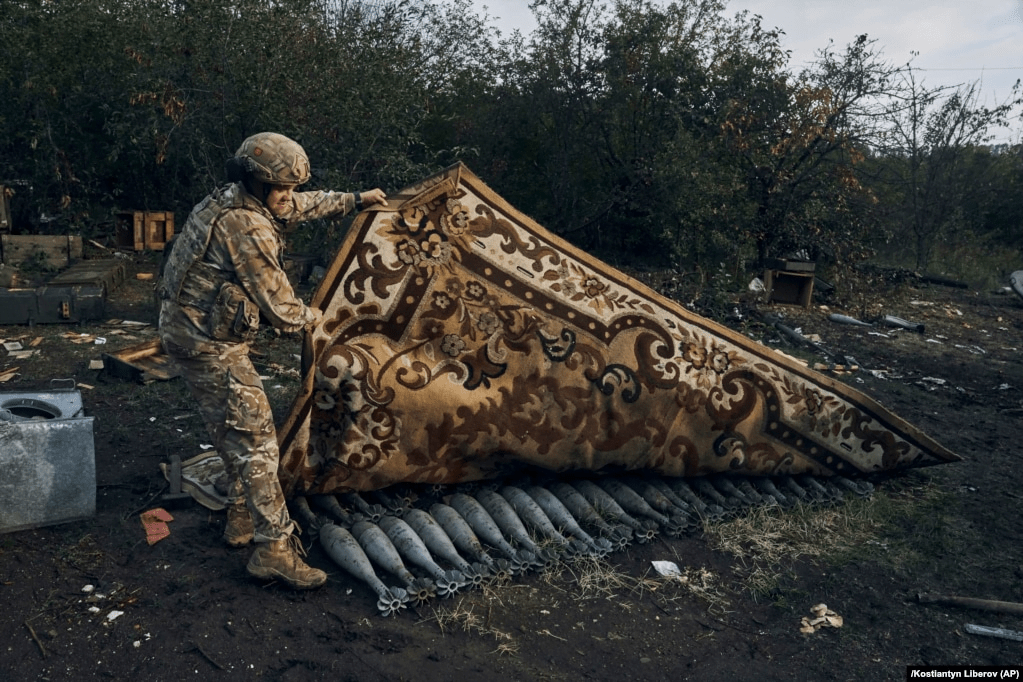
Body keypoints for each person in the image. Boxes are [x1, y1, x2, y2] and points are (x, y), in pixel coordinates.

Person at [157, 132, 386, 589]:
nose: (288, 196)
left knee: (231, 428)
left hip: (188, 330)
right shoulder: (246, 227)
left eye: (291, 187)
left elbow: (298, 205)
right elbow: (282, 311)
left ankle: (241, 515)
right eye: (280, 187)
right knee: (258, 440)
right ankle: (274, 549)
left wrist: (356, 200)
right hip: (207, 343)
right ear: (256, 183)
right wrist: (319, 316)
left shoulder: (234, 197)